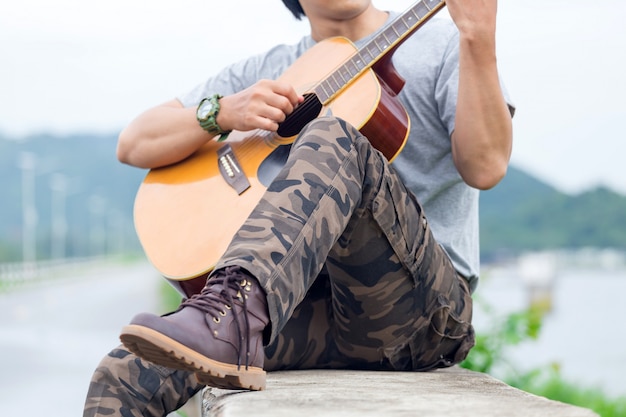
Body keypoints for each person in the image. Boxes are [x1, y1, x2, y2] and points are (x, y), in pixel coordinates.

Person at [84, 0, 514, 415]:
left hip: (419, 314)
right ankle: (232, 320)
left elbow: (487, 166)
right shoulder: (269, 70)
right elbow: (135, 141)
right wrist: (224, 111)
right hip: (303, 315)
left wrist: (478, 37)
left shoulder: (442, 43)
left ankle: (231, 313)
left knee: (333, 134)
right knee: (122, 375)